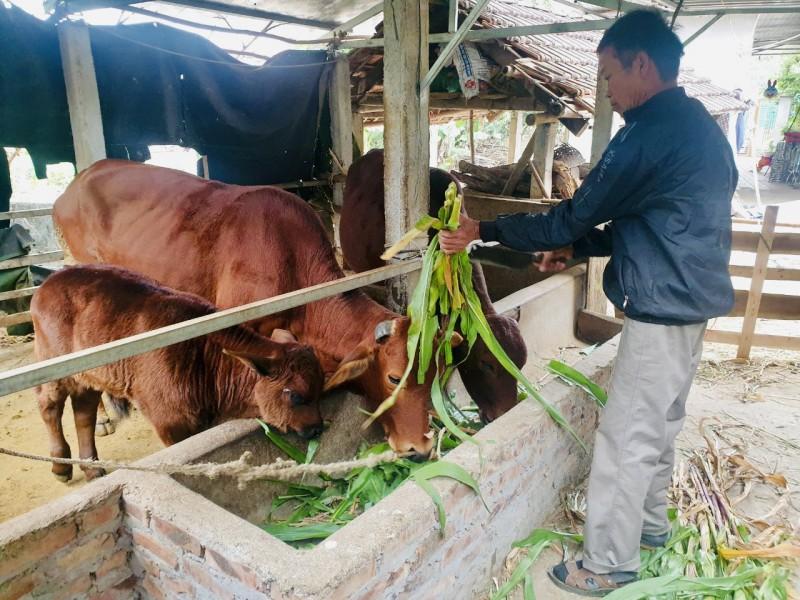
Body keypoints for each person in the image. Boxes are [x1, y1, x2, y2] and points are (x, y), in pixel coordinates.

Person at [440, 9, 737, 597]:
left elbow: (574, 214)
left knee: (626, 439)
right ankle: (648, 528)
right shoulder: (696, 124)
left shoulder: (648, 134)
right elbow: (651, 223)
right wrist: (577, 248)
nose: (605, 88)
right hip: (688, 305)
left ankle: (606, 563)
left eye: (608, 74)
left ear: (641, 64)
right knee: (659, 427)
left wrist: (485, 231)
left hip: (660, 312)